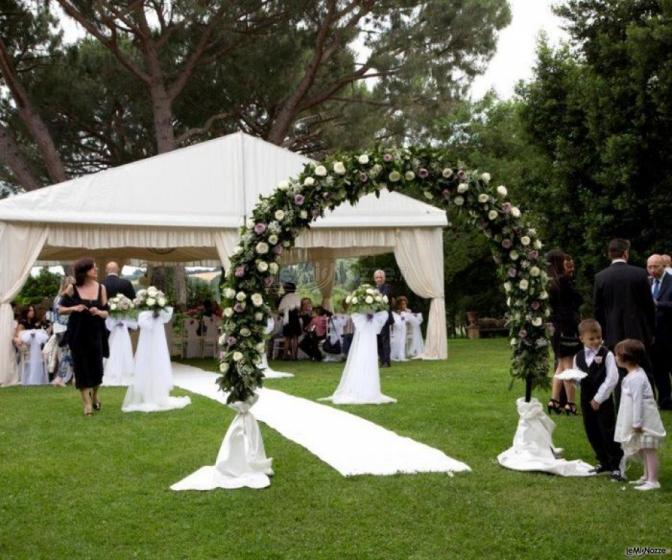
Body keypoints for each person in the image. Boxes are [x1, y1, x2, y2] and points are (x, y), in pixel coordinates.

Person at [573, 319, 623, 480]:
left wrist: (599, 398)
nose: (596, 341)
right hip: (586, 399)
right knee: (592, 430)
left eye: (598, 337)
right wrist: (572, 380)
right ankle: (603, 461)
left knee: (607, 430)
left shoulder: (607, 354)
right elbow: (578, 376)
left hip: (603, 400)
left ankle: (616, 464)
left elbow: (612, 378)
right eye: (591, 339)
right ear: (582, 339)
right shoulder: (578, 357)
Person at [614, 339, 667, 491]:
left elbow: (638, 402)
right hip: (640, 421)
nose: (616, 358)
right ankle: (646, 476)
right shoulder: (634, 374)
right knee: (643, 449)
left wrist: (637, 423)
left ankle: (653, 480)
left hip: (645, 422)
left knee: (649, 450)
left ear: (625, 358)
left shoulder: (636, 378)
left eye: (617, 355)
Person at [59, 258, 109, 416]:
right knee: (81, 367)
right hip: (78, 333)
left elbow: (107, 312)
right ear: (84, 271)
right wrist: (74, 307)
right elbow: (60, 309)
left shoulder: (102, 288)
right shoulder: (72, 288)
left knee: (97, 368)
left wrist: (99, 312)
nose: (96, 270)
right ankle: (87, 404)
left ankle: (94, 395)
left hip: (96, 333)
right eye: (93, 268)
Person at [546, 249, 582, 415]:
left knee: (560, 365)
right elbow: (577, 300)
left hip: (555, 326)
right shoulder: (563, 281)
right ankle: (570, 402)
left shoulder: (549, 283)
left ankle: (554, 400)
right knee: (568, 366)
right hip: (567, 327)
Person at [647, 254, 672, 409]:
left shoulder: (670, 282)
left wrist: (659, 304)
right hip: (654, 336)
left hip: (670, 333)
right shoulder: (646, 282)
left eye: (656, 266)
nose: (652, 270)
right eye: (649, 267)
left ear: (664, 266)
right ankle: (665, 401)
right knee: (659, 370)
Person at [49, 276, 76, 387]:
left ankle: (75, 377)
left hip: (60, 329)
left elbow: (53, 315)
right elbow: (60, 314)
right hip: (65, 328)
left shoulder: (58, 297)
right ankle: (60, 378)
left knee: (70, 353)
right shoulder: (64, 298)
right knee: (67, 353)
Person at [374, 269, 392, 367]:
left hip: (384, 316)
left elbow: (384, 297)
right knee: (378, 340)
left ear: (384, 278)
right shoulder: (372, 289)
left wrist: (375, 295)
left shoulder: (387, 287)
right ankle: (381, 359)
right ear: (374, 279)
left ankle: (386, 361)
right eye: (377, 277)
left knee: (385, 339)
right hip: (375, 318)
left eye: (380, 277)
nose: (379, 279)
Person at [277, 283, 301, 360]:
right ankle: (294, 356)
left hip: (287, 319)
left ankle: (285, 356)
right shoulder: (296, 297)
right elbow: (299, 308)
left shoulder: (284, 298)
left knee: (287, 338)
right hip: (295, 317)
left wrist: (286, 311)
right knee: (295, 337)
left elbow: (280, 311)